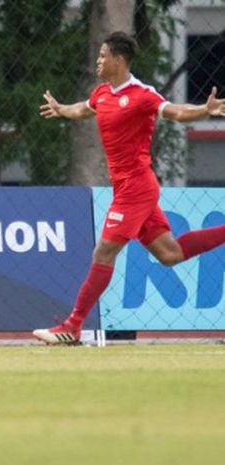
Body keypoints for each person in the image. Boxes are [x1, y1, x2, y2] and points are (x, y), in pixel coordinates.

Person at [33, 31, 225, 344]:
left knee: (104, 250)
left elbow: (175, 111)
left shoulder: (141, 94)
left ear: (119, 60)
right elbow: (84, 108)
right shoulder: (102, 94)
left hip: (136, 187)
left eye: (102, 56)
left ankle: (72, 326)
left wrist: (204, 110)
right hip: (129, 189)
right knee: (170, 253)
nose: (97, 61)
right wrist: (61, 109)